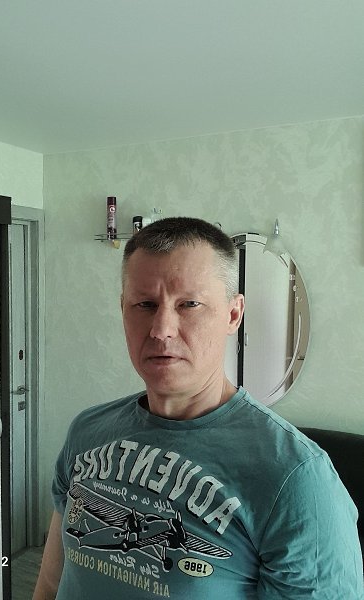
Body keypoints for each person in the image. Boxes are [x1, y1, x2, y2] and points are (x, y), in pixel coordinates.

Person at [33, 217, 363, 599]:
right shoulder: (86, 432)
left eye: (189, 304)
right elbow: (51, 583)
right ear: (123, 308)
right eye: (145, 304)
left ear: (233, 314)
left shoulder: (297, 479)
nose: (161, 329)